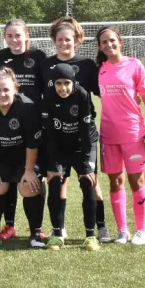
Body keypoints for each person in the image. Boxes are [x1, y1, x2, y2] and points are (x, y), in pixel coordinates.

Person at [41, 17, 110, 242]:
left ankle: (100, 226)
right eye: (60, 39)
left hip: (82, 131)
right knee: (59, 180)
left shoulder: (86, 64)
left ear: (76, 41)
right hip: (57, 131)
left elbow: (102, 91)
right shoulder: (46, 64)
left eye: (68, 39)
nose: (64, 43)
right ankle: (59, 229)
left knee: (90, 180)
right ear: (54, 41)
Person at [96, 26, 145, 245]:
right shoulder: (99, 69)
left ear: (120, 41)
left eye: (112, 40)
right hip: (108, 133)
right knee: (115, 181)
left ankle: (141, 230)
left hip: (133, 132)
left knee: (137, 180)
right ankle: (122, 230)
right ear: (100, 47)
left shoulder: (134, 65)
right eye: (104, 42)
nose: (109, 44)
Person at [0, 68, 44, 247]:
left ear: (15, 89)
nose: (2, 94)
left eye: (6, 89)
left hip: (25, 156)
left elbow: (32, 144)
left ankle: (36, 234)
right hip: (0, 156)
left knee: (29, 186)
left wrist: (29, 171)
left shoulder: (27, 107)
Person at [0, 19, 48, 242]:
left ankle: (37, 228)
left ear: (27, 36)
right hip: (5, 128)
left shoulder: (39, 57)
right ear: (4, 38)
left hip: (32, 126)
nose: (14, 40)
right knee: (7, 176)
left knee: (32, 178)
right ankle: (9, 225)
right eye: (10, 36)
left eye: (18, 35)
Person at [42, 64, 100, 251]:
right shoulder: (48, 95)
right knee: (54, 182)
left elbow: (85, 131)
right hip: (59, 145)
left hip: (83, 144)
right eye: (58, 83)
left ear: (73, 82)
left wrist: (86, 164)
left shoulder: (82, 95)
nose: (63, 88)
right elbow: (49, 133)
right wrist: (52, 163)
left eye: (67, 83)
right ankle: (57, 235)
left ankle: (90, 236)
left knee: (87, 181)